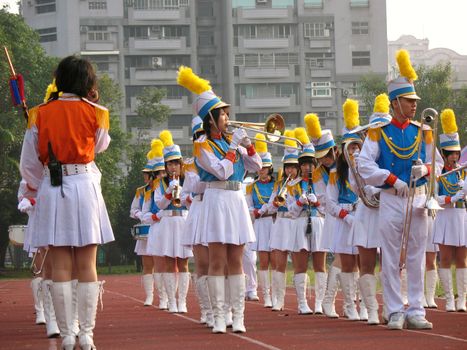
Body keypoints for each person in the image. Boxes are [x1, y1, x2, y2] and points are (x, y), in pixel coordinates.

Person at [20, 55, 114, 349]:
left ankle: (69, 334)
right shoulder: (98, 112)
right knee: (87, 263)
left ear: (59, 80)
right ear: (88, 82)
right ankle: (87, 334)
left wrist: (35, 188)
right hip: (84, 183)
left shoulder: (39, 113)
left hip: (53, 184)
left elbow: (29, 163)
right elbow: (100, 145)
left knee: (59, 262)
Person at [358, 49, 442, 330]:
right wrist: (392, 179)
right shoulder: (378, 131)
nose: (414, 105)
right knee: (391, 255)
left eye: (415, 100)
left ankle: (416, 308)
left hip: (418, 198)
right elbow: (363, 165)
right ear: (396, 103)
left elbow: (439, 164)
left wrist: (426, 171)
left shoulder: (423, 131)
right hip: (392, 198)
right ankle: (394, 309)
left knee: (418, 255)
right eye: (409, 100)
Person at [178, 66, 261, 333]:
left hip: (236, 199)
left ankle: (239, 317)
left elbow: (257, 166)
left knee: (236, 260)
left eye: (227, 113)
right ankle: (218, 314)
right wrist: (235, 147)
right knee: (216, 260)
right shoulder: (202, 145)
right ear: (210, 119)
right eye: (222, 114)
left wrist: (248, 146)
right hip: (215, 197)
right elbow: (220, 170)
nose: (227, 117)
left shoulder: (230, 141)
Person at [349, 94, 393, 325]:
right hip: (367, 211)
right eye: (375, 129)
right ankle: (371, 309)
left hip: (389, 207)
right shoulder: (360, 154)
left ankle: (391, 307)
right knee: (366, 263)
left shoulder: (395, 150)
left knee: (391, 261)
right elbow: (356, 185)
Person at [145, 131, 193, 313]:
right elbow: (159, 204)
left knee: (183, 263)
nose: (173, 167)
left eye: (176, 163)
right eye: (170, 163)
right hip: (167, 221)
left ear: (181, 164)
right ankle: (171, 300)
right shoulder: (159, 183)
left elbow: (191, 201)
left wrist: (182, 191)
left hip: (183, 221)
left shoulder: (187, 179)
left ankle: (183, 301)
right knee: (167, 262)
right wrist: (168, 192)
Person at [326, 99, 362, 321]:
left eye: (357, 146)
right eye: (350, 146)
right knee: (347, 263)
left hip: (364, 218)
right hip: (345, 219)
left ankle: (363, 304)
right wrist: (346, 216)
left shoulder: (367, 168)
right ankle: (349, 306)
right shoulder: (334, 174)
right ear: (343, 150)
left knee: (364, 263)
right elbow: (329, 203)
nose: (354, 150)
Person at [306, 115, 342, 318]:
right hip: (334, 217)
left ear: (335, 151)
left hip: (352, 214)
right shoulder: (319, 173)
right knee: (341, 257)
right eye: (319, 157)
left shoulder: (345, 164)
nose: (323, 161)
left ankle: (353, 303)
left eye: (326, 156)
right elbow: (324, 198)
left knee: (356, 261)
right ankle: (328, 301)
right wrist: (340, 209)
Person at [287, 127, 326, 314]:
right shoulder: (292, 185)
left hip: (317, 221)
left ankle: (319, 302)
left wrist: (317, 201)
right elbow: (291, 211)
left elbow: (327, 206)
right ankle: (302, 303)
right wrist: (299, 201)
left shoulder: (321, 183)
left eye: (310, 163)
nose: (306, 167)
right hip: (300, 222)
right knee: (300, 264)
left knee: (320, 264)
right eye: (303, 163)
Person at [17, 180, 61, 337]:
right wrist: (27, 201)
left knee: (61, 270)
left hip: (59, 220)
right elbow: (22, 195)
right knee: (40, 269)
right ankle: (41, 311)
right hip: (38, 222)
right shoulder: (29, 175)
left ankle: (61, 314)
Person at [432, 108, 466, 312]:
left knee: (462, 259)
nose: (454, 157)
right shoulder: (438, 173)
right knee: (445, 258)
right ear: (443, 154)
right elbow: (434, 197)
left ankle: (462, 299)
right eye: (450, 153)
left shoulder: (464, 173)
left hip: (462, 216)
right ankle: (449, 299)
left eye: (456, 153)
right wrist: (451, 198)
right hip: (445, 215)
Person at [181, 116, 213, 326]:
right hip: (199, 209)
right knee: (202, 263)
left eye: (204, 135)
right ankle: (207, 310)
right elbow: (187, 193)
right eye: (198, 136)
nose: (201, 139)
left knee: (223, 262)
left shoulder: (218, 154)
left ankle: (224, 309)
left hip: (217, 208)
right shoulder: (190, 165)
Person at [130, 140, 168, 308]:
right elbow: (134, 210)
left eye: (162, 172)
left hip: (165, 227)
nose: (160, 176)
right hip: (148, 228)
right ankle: (150, 296)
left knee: (163, 263)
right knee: (148, 264)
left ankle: (164, 297)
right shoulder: (142, 191)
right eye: (156, 173)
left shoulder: (168, 188)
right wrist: (145, 217)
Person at [267, 130, 301, 312]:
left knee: (298, 263)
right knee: (278, 263)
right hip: (280, 222)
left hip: (295, 223)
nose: (290, 170)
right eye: (287, 167)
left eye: (293, 167)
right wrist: (273, 202)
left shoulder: (303, 183)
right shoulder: (279, 185)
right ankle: (278, 299)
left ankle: (300, 301)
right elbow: (271, 207)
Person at [245, 134, 276, 308]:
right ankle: (266, 296)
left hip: (274, 221)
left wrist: (267, 208)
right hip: (260, 223)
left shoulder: (277, 184)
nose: (262, 170)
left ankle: (276, 294)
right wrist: (257, 211)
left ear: (270, 168)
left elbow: (277, 203)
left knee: (277, 260)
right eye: (260, 168)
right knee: (263, 261)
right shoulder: (251, 186)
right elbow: (248, 206)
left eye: (265, 167)